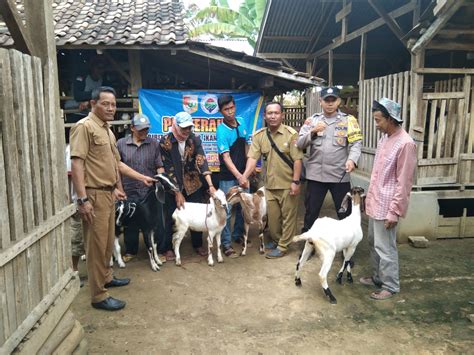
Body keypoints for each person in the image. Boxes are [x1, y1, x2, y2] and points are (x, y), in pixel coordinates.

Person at [70, 86, 155, 311]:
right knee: (96, 246)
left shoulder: (107, 131)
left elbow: (117, 164)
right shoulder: (84, 128)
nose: (111, 108)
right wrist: (82, 199)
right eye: (105, 103)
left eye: (114, 104)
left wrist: (141, 177)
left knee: (107, 242)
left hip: (108, 194)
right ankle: (98, 296)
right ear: (93, 104)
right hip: (93, 194)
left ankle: (106, 277)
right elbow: (77, 163)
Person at [360, 98, 417, 300]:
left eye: (378, 120)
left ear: (390, 119)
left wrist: (395, 211)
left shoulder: (406, 144)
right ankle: (377, 277)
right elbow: (378, 173)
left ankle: (390, 285)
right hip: (375, 201)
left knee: (386, 248)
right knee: (373, 242)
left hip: (388, 206)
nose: (376, 124)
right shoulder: (384, 138)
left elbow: (404, 182)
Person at [241, 102, 303, 258]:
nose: (273, 116)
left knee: (288, 217)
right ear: (265, 116)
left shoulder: (291, 134)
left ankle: (283, 246)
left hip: (288, 183)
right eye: (270, 113)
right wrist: (244, 176)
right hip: (269, 185)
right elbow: (252, 158)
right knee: (273, 219)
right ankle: (276, 239)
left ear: (282, 115)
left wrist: (296, 182)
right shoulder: (260, 136)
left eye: (276, 113)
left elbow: (297, 160)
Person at [297, 86, 362, 233]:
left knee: (345, 213)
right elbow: (299, 144)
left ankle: (347, 252)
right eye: (327, 100)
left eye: (333, 100)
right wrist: (313, 132)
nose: (330, 103)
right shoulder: (312, 121)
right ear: (321, 101)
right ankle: (308, 245)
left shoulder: (348, 121)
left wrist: (352, 160)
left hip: (339, 175)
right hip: (315, 176)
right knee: (310, 213)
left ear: (339, 101)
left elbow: (356, 144)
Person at [159, 111, 217, 258]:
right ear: (175, 126)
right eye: (183, 128)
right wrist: (177, 192)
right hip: (173, 184)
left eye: (189, 128)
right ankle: (168, 246)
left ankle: (197, 244)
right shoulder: (165, 141)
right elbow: (169, 170)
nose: (186, 131)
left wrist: (210, 185)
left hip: (193, 182)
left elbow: (202, 161)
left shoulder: (194, 139)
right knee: (170, 214)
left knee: (196, 213)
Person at [116, 113, 166, 262]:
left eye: (146, 129)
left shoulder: (154, 144)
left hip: (148, 191)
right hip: (129, 189)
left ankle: (156, 250)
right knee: (131, 222)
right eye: (141, 130)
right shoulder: (121, 144)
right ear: (132, 128)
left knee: (153, 221)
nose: (144, 132)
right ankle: (131, 251)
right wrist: (120, 188)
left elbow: (159, 166)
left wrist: (160, 180)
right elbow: (117, 169)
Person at [216, 95, 251, 258]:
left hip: (244, 173)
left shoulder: (242, 121)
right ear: (221, 111)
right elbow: (226, 157)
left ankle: (238, 235)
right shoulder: (221, 130)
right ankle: (226, 243)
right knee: (227, 210)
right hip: (228, 176)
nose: (229, 112)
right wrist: (239, 176)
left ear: (235, 106)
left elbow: (246, 145)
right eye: (225, 109)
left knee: (244, 207)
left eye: (231, 108)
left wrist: (248, 171)